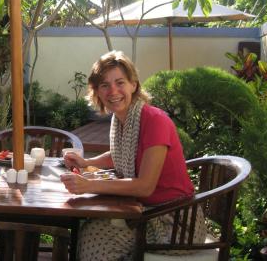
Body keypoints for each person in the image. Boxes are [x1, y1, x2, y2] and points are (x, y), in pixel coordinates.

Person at [60, 50, 206, 260]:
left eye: (120, 82)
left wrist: (88, 185)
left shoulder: (155, 120)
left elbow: (145, 186)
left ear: (134, 85)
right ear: (97, 93)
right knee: (90, 229)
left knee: (94, 236)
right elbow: (120, 154)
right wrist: (87, 162)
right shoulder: (121, 120)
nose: (113, 91)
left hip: (174, 224)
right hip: (144, 211)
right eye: (105, 85)